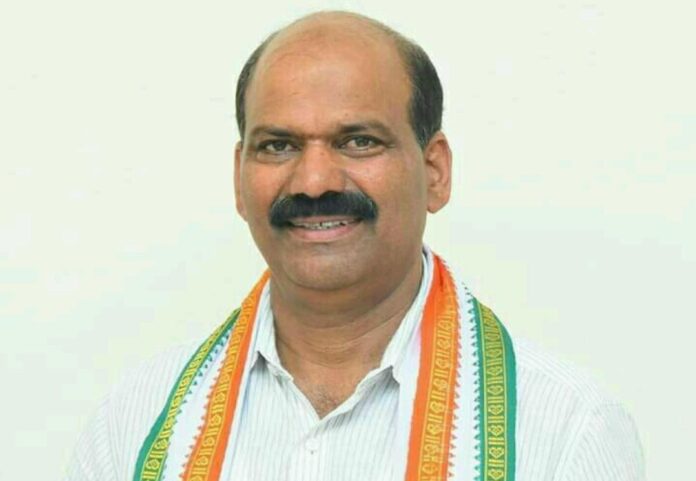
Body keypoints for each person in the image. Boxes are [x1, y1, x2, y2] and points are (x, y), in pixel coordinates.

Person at [65, 10, 645, 481]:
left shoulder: (565, 429)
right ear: (239, 179)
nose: (314, 181)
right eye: (278, 146)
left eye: (359, 141)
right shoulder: (136, 421)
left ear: (435, 171)